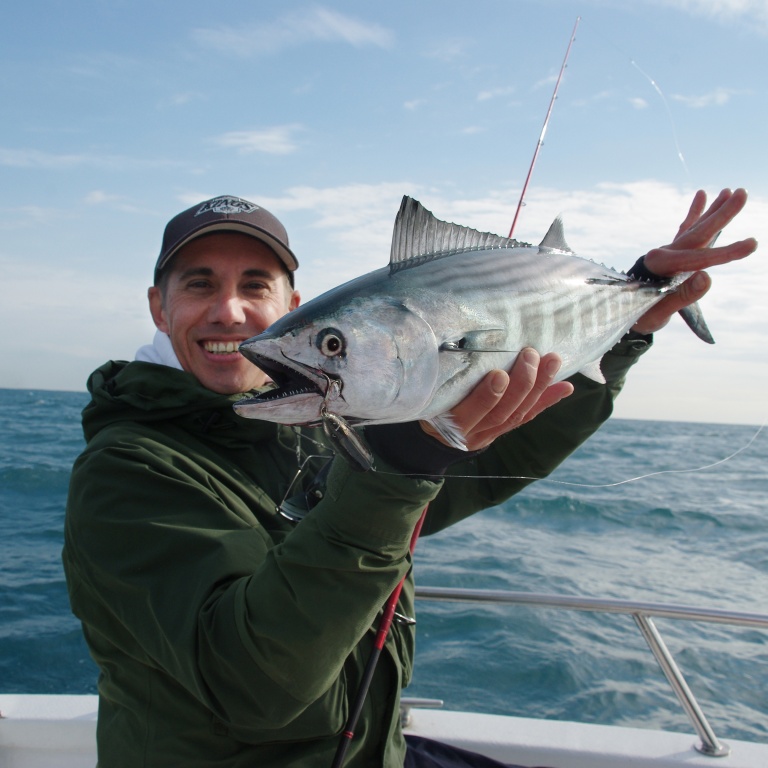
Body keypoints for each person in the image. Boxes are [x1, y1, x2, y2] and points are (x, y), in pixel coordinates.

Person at [63, 190, 756, 768]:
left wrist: (634, 315)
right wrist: (396, 470)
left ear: (289, 302)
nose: (230, 314)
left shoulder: (324, 423)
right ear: (159, 307)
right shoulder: (127, 470)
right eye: (199, 285)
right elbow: (252, 684)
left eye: (255, 286)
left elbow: (489, 460)